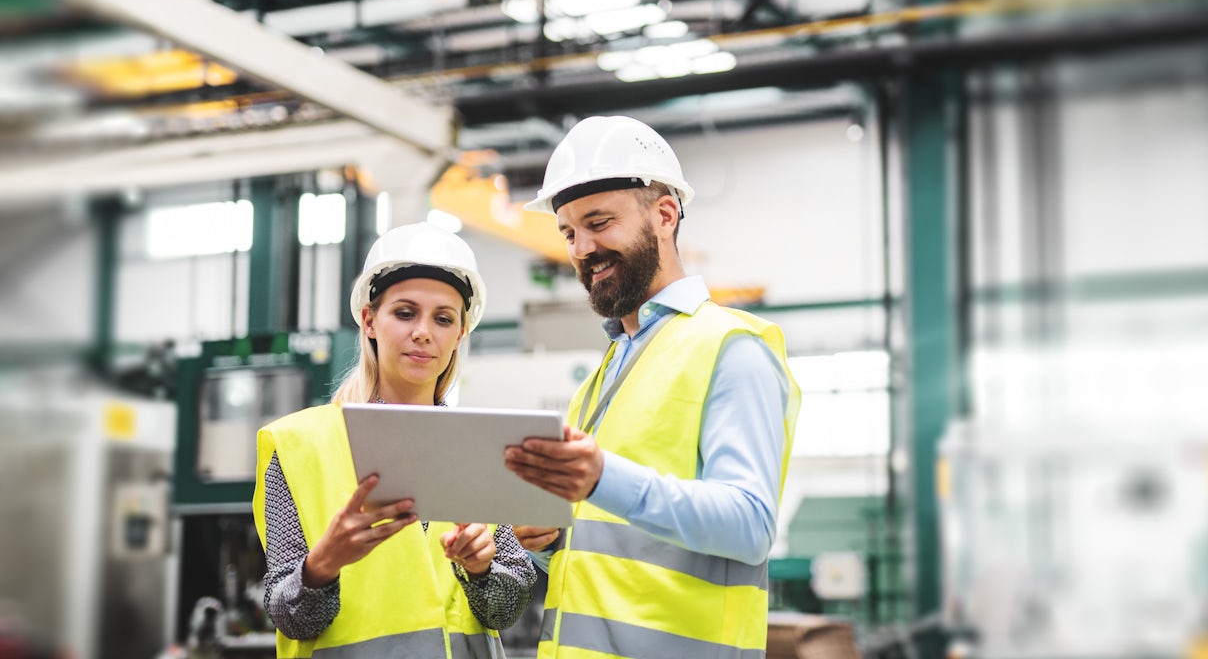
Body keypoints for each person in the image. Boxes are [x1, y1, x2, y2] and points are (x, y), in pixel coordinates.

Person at [504, 115, 802, 659]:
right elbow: (612, 552)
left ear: (664, 215)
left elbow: (750, 525)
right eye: (569, 231)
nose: (581, 249)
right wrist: (547, 543)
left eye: (599, 222)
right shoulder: (602, 375)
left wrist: (601, 479)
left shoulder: (733, 348)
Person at [252, 222, 536, 659]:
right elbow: (289, 617)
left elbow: (505, 611)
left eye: (443, 319)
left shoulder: (485, 447)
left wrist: (480, 570)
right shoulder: (299, 446)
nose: (424, 332)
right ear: (369, 320)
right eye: (405, 313)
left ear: (460, 333)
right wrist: (322, 566)